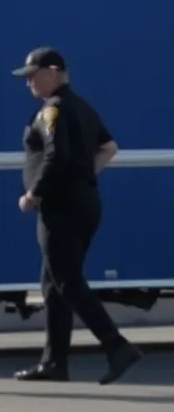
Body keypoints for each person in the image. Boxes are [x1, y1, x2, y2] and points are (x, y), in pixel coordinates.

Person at [11, 47, 143, 385]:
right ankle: (54, 362)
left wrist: (33, 194)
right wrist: (85, 175)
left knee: (67, 280)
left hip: (61, 207)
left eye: (32, 75)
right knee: (52, 284)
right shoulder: (81, 106)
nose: (28, 84)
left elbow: (54, 157)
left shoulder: (53, 110)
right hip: (83, 202)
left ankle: (117, 346)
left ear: (53, 72)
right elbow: (109, 147)